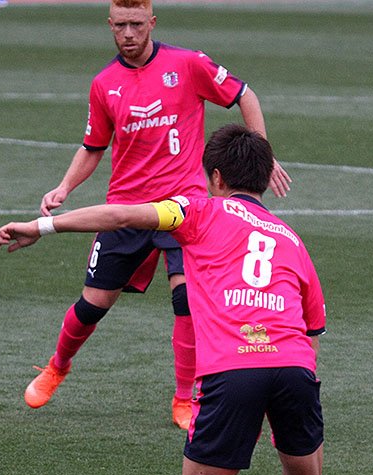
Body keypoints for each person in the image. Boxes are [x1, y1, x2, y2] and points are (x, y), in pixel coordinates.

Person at [0, 124, 353, 475]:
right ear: (265, 180)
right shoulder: (292, 240)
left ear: (216, 176)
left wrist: (42, 226)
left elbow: (121, 215)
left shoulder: (198, 210)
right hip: (294, 368)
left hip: (233, 369)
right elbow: (312, 330)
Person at [26, 0, 291, 429]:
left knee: (186, 299)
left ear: (151, 22)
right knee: (93, 304)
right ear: (109, 25)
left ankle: (184, 398)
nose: (128, 34)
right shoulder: (104, 84)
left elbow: (245, 95)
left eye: (136, 24)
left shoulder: (188, 64)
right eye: (120, 26)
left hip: (184, 205)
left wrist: (262, 153)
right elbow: (93, 147)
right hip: (126, 210)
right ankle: (57, 365)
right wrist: (64, 187)